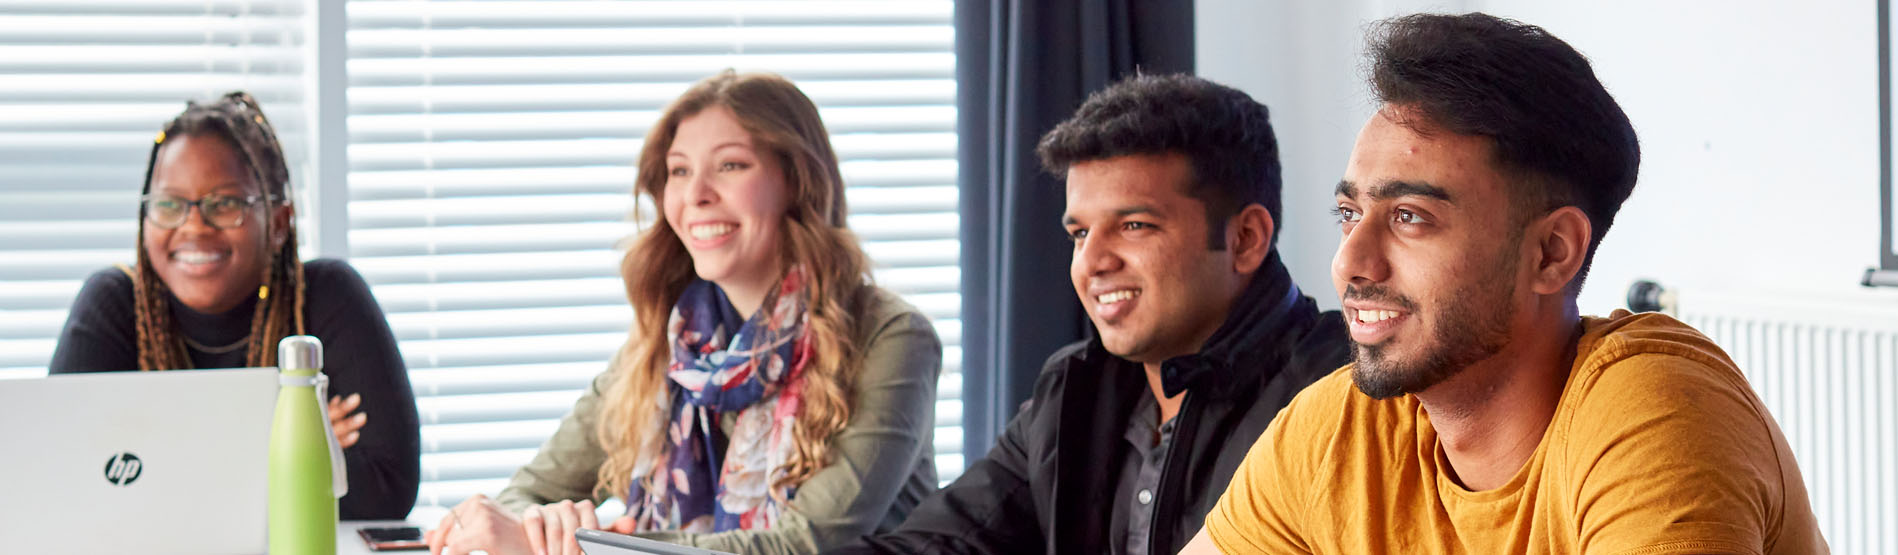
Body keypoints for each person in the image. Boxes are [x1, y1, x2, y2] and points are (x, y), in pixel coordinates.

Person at [1183, 13, 1827, 554]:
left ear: (1552, 252)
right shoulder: (1337, 432)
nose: (1351, 262)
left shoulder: (1655, 412)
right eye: (1350, 214)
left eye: (1410, 218)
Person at [423, 70, 943, 555]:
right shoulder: (667, 344)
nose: (696, 195)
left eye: (731, 165)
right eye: (679, 171)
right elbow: (530, 492)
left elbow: (807, 543)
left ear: (797, 181)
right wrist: (534, 527)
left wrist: (594, 546)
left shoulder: (892, 338)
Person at [829, 74, 1350, 555]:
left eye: (1134, 226)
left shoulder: (1344, 396)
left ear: (1245, 238)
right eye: (1080, 233)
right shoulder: (1074, 388)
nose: (1092, 262)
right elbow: (941, 543)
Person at [49, 91, 422, 520]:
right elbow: (69, 484)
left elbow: (385, 488)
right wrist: (295, 452)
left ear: (279, 223)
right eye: (169, 204)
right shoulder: (114, 304)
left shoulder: (328, 296)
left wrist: (164, 462)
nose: (193, 225)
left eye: (225, 203)